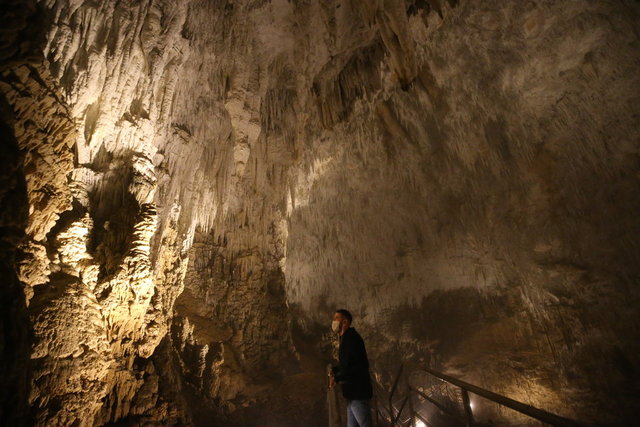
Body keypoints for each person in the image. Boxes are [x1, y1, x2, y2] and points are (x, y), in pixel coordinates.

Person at [329, 309, 373, 427]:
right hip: (352, 394)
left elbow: (356, 368)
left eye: (336, 318)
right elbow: (347, 364)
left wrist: (337, 379)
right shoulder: (346, 338)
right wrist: (335, 370)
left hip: (358, 394)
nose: (333, 321)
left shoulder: (352, 339)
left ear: (345, 322)